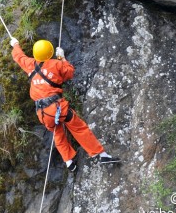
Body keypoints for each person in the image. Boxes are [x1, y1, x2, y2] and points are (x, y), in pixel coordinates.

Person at [10, 38, 120, 172]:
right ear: (50, 52)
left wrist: (15, 44)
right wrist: (62, 57)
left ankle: (69, 162)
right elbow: (69, 72)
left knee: (58, 133)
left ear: (35, 54)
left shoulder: (29, 64)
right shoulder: (56, 64)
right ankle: (101, 154)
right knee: (79, 128)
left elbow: (19, 56)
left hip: (42, 113)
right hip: (57, 107)